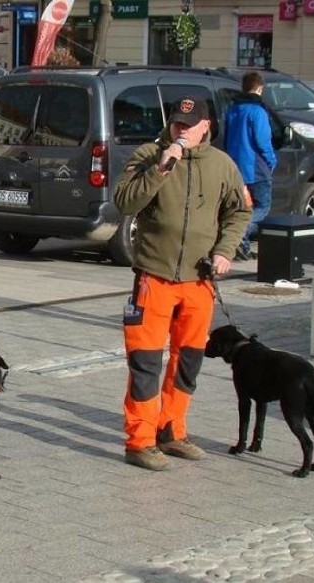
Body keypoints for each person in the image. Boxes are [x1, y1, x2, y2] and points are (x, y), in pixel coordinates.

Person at [114, 97, 251, 472]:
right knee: (145, 362)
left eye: (189, 124)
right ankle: (139, 442)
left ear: (206, 125)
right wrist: (160, 168)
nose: (182, 129)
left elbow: (240, 210)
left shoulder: (223, 165)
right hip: (153, 277)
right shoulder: (148, 155)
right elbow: (124, 202)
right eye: (177, 123)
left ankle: (171, 431)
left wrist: (225, 250)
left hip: (199, 280)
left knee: (188, 360)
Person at [224, 71, 277, 261]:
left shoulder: (232, 109)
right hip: (256, 169)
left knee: (242, 207)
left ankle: (242, 246)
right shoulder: (257, 111)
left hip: (235, 168)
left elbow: (227, 137)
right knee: (262, 206)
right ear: (260, 88)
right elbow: (263, 141)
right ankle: (240, 236)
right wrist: (272, 161)